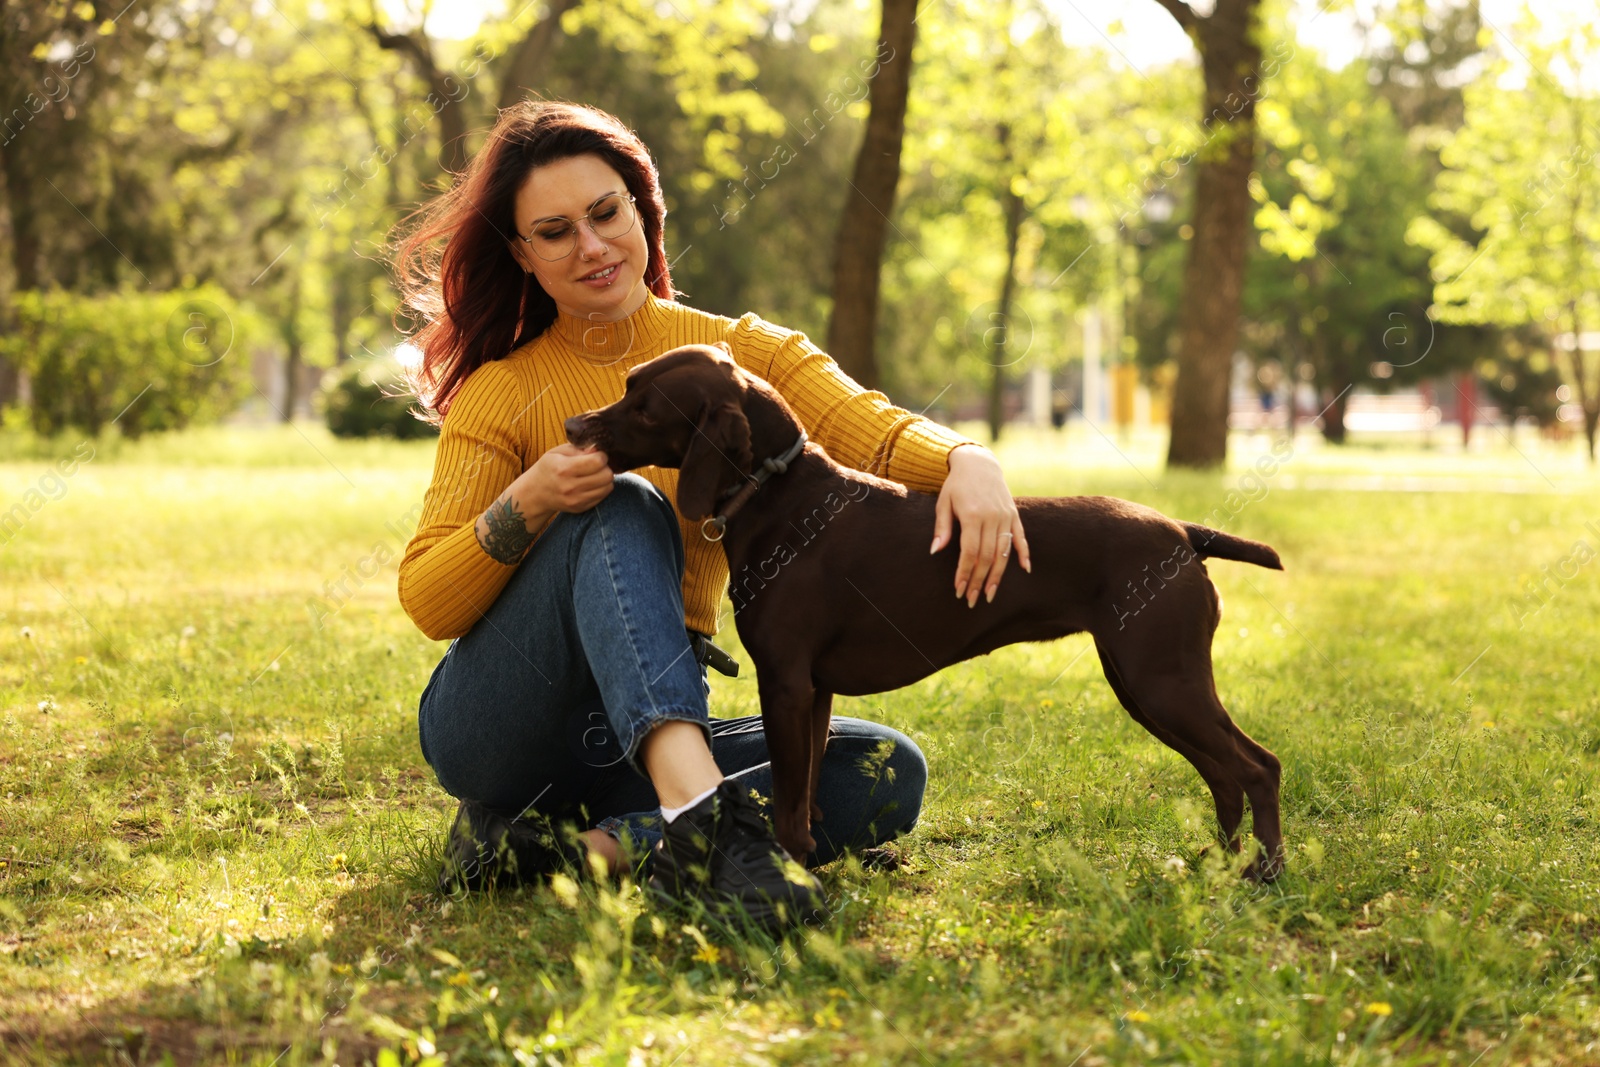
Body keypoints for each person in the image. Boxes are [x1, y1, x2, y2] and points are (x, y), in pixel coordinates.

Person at [392, 101, 1031, 929]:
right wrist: (532, 500)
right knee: (621, 497)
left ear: (642, 211)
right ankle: (700, 826)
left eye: (605, 212)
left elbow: (867, 427)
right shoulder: (503, 391)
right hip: (509, 723)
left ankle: (571, 846)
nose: (591, 245)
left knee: (879, 765)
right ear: (522, 254)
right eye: (554, 231)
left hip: (660, 727)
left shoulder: (736, 357)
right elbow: (429, 599)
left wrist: (965, 459)